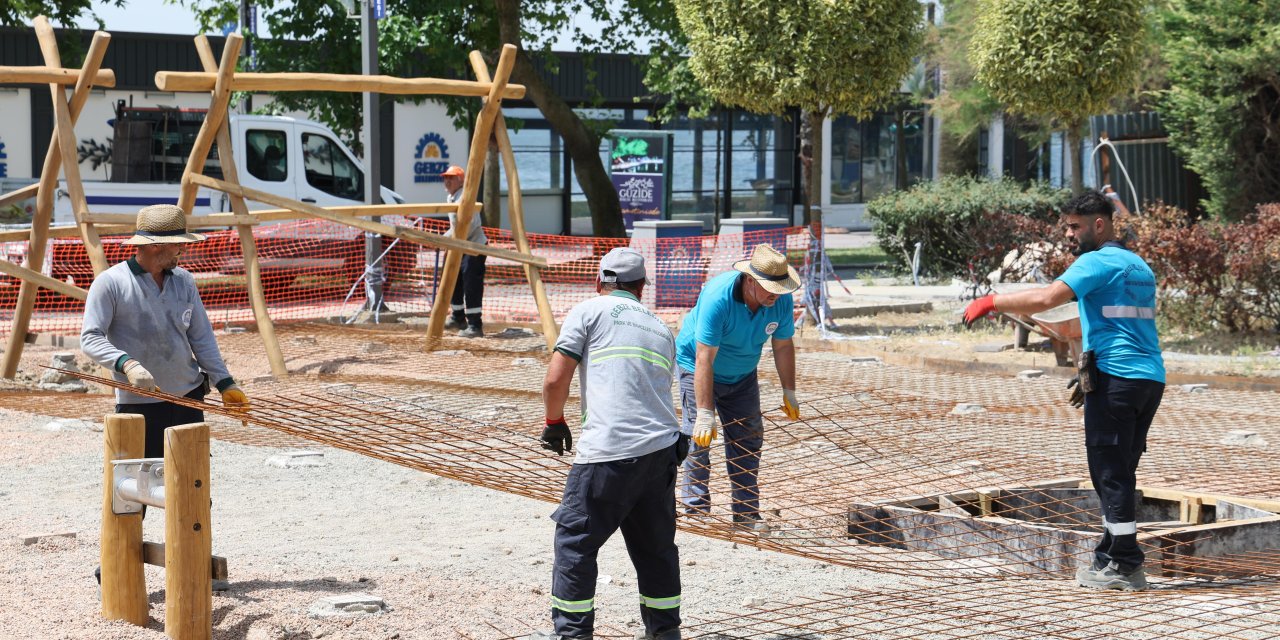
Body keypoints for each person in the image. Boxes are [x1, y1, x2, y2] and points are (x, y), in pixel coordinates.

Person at [963, 189, 1164, 592]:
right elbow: (1122, 325)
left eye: (1075, 226)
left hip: (1117, 378)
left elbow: (1046, 297)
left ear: (1099, 224)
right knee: (1121, 470)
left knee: (1109, 473)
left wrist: (992, 301)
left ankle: (1126, 565)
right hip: (1148, 378)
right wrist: (1089, 370)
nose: (1070, 234)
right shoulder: (1137, 264)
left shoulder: (1097, 261)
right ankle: (1109, 554)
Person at [533, 247, 686, 640]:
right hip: (661, 451)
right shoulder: (659, 326)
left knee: (575, 543)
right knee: (655, 549)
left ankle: (573, 634)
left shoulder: (588, 310)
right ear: (641, 288)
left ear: (599, 282)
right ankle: (665, 633)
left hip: (610, 451)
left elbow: (555, 380)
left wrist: (554, 422)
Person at [82, 204, 250, 460]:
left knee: (192, 488)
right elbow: (90, 338)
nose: (182, 249)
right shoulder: (111, 283)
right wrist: (126, 364)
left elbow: (201, 337)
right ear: (154, 246)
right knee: (135, 489)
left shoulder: (184, 281)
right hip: (137, 406)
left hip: (188, 400)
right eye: (177, 244)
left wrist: (225, 383)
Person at [676, 243, 801, 533]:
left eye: (779, 288)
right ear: (749, 280)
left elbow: (782, 345)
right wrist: (706, 413)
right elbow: (704, 356)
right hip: (698, 366)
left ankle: (745, 514)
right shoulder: (717, 298)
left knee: (748, 439)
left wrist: (789, 391)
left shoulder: (779, 299)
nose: (775, 295)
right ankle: (696, 512)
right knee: (699, 438)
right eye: (769, 288)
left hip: (742, 373)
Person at [440, 164, 488, 338]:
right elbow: (455, 226)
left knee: (471, 285)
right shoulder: (451, 198)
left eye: (450, 178)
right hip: (460, 245)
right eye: (445, 178)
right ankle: (458, 317)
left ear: (460, 180)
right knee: (454, 281)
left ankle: (475, 325)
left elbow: (471, 224)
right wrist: (443, 238)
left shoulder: (466, 197)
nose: (447, 181)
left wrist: (450, 238)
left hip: (473, 247)